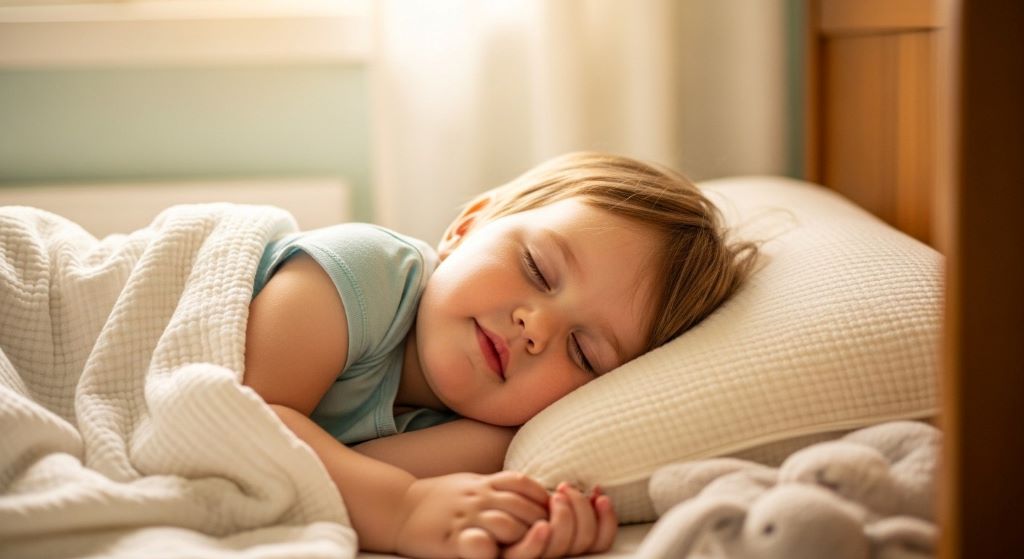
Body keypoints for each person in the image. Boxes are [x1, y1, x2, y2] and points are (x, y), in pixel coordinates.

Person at [242, 152, 758, 558]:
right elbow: (244, 420)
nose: (537, 327)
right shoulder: (367, 271)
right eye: (537, 269)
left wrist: (523, 523)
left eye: (582, 351)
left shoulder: (487, 438)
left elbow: (327, 475)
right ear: (467, 226)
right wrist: (403, 509)